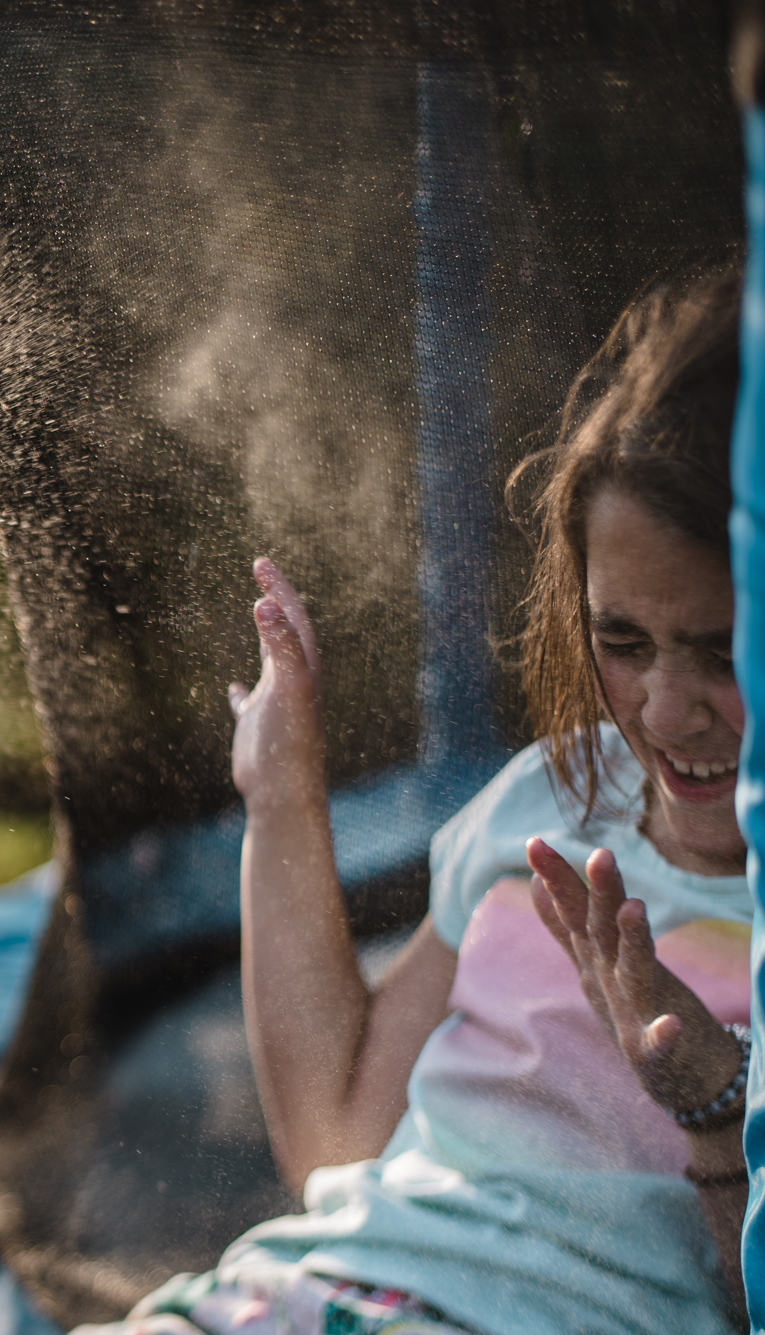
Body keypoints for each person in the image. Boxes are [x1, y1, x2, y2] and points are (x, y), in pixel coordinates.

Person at [74, 270, 752, 1335]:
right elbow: (335, 1139)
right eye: (620, 644)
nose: (664, 710)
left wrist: (717, 1113)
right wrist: (280, 796)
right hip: (299, 1297)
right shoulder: (550, 801)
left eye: (722, 653)